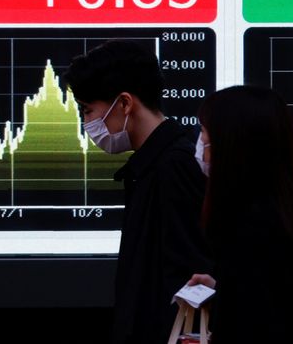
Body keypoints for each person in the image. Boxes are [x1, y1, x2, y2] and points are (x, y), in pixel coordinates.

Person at [63, 39, 212, 344]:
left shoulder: (173, 166)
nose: (87, 123)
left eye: (88, 110)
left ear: (125, 103)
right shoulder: (154, 165)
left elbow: (187, 276)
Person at [187, 85, 293, 343]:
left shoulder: (252, 227)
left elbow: (256, 324)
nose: (200, 146)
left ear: (230, 144)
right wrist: (224, 288)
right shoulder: (285, 215)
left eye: (204, 133)